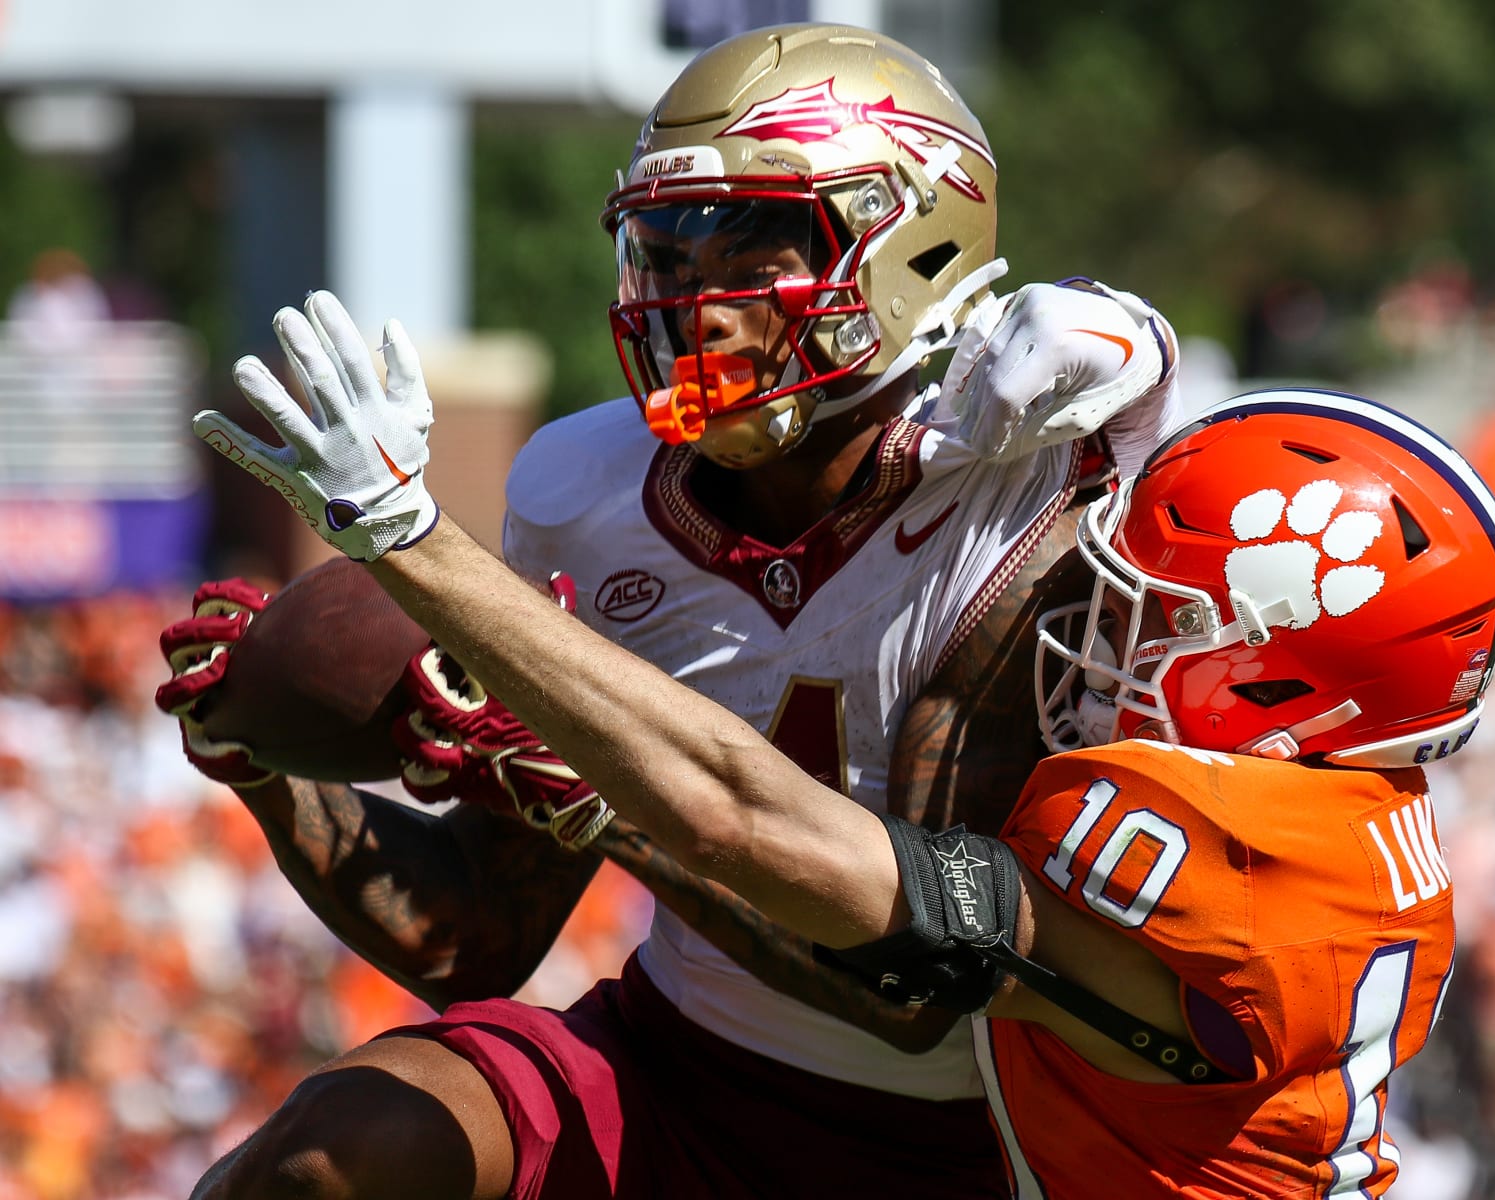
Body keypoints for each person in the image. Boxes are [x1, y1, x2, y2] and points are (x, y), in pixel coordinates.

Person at [196, 285, 1495, 1196]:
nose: (1093, 631)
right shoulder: (1318, 806)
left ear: (1298, 686)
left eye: (1152, 621)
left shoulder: (1226, 878)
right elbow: (475, 936)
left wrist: (426, 556)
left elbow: (835, 895)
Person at [163, 22, 1183, 1199]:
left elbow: (913, 985)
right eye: (672, 255)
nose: (703, 307)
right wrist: (266, 765)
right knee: (328, 1158)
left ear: (918, 237)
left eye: (757, 253)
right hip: (678, 1065)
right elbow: (470, 939)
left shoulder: (1019, 500)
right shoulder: (584, 496)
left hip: (978, 1137)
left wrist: (610, 811)